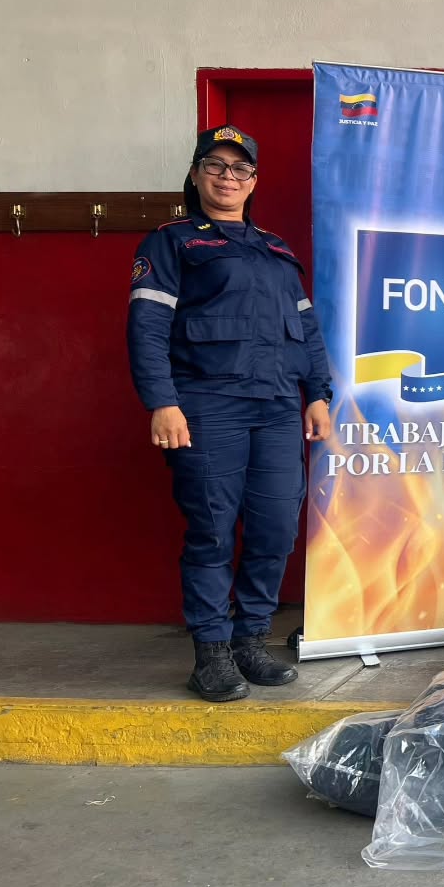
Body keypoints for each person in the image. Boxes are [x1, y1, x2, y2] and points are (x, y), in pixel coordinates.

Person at [127, 125, 333, 702]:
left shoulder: (275, 249)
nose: (227, 178)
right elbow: (147, 329)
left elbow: (307, 330)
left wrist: (317, 393)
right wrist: (162, 402)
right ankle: (211, 651)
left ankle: (249, 640)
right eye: (215, 166)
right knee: (214, 530)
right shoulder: (172, 243)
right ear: (195, 175)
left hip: (275, 409)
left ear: (254, 182)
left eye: (240, 170)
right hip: (206, 405)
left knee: (275, 527)